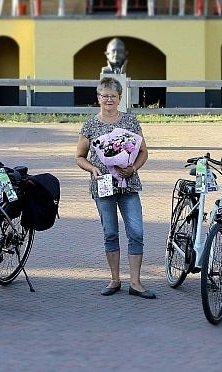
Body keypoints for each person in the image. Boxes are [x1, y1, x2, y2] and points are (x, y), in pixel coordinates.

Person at [75, 76, 155, 299]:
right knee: (110, 233)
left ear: (120, 98)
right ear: (98, 98)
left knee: (136, 232)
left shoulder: (130, 121)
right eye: (104, 96)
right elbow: (79, 157)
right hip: (103, 186)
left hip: (128, 185)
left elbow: (143, 152)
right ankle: (114, 279)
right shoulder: (90, 125)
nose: (109, 99)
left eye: (113, 96)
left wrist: (133, 169)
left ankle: (136, 283)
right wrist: (92, 169)